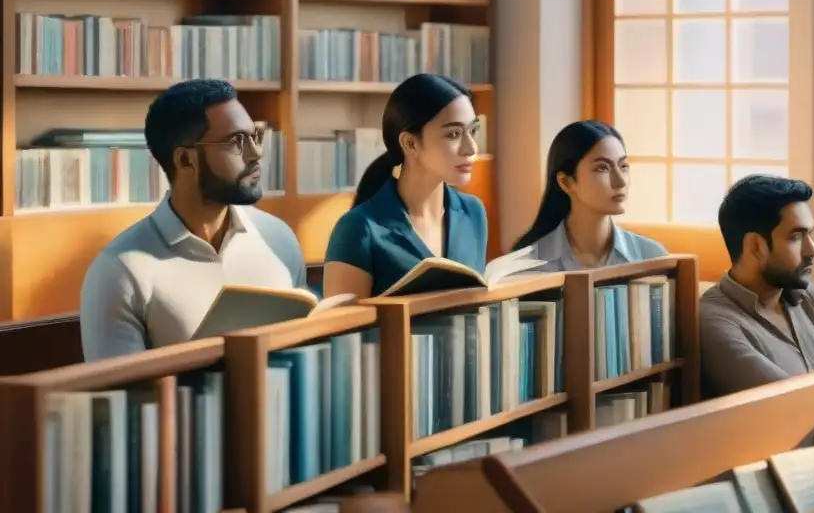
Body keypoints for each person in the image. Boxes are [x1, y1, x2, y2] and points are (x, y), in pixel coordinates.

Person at [79, 79, 306, 361]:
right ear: (185, 160)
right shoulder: (119, 272)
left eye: (255, 136)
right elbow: (121, 399)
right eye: (237, 141)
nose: (255, 154)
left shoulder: (279, 239)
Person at [700, 174, 814, 398]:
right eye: (796, 237)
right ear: (756, 246)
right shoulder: (714, 323)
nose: (812, 250)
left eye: (809, 235)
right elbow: (793, 405)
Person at [323, 74, 488, 298]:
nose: (471, 148)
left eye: (473, 131)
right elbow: (340, 329)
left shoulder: (473, 213)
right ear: (410, 143)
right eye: (454, 134)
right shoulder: (359, 228)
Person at [512, 120, 666, 270]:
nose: (620, 182)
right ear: (567, 182)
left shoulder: (652, 257)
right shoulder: (527, 266)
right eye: (602, 168)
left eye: (623, 166)